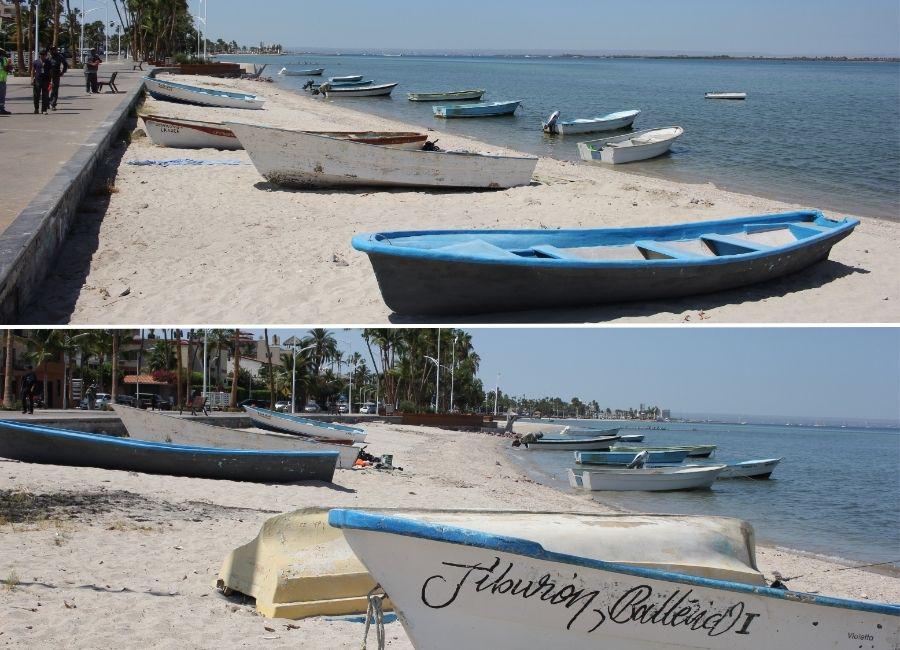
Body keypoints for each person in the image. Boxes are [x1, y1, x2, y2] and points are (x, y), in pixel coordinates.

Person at [31, 49, 51, 114]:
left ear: (46, 55)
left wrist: (51, 81)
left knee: (45, 96)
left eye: (44, 55)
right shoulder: (36, 62)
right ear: (40, 55)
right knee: (36, 95)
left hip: (46, 80)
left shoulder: (48, 62)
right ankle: (36, 109)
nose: (42, 56)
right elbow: (33, 71)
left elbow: (51, 72)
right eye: (41, 55)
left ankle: (44, 110)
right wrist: (32, 79)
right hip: (37, 80)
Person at [48, 45, 68, 110]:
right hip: (47, 75)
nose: (52, 51)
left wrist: (63, 72)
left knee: (55, 90)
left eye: (53, 49)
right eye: (51, 49)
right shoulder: (48, 56)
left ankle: (53, 104)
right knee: (46, 90)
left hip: (56, 75)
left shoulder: (59, 56)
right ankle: (47, 102)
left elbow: (65, 64)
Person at [0, 47, 11, 115]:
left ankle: (2, 109)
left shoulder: (4, 59)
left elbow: (7, 69)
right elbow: (5, 67)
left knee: (2, 96)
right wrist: (7, 64)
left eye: (1, 52)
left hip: (3, 80)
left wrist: (9, 64)